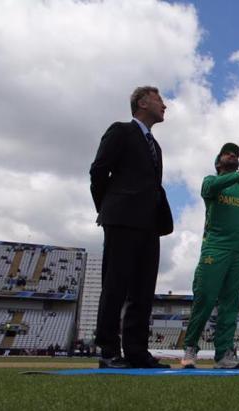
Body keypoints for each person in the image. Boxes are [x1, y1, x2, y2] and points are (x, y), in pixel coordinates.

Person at [89, 86, 173, 369]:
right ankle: (109, 350)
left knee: (143, 290)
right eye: (159, 99)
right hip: (122, 219)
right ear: (142, 102)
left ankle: (136, 351)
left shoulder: (155, 146)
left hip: (149, 224)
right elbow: (99, 170)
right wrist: (107, 208)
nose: (164, 105)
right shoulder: (121, 131)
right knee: (115, 286)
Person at [181, 143, 239, 369]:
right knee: (204, 298)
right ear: (218, 161)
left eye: (236, 154)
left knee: (231, 304)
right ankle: (190, 348)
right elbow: (209, 189)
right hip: (215, 248)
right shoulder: (211, 182)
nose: (232, 155)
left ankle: (223, 354)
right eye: (227, 153)